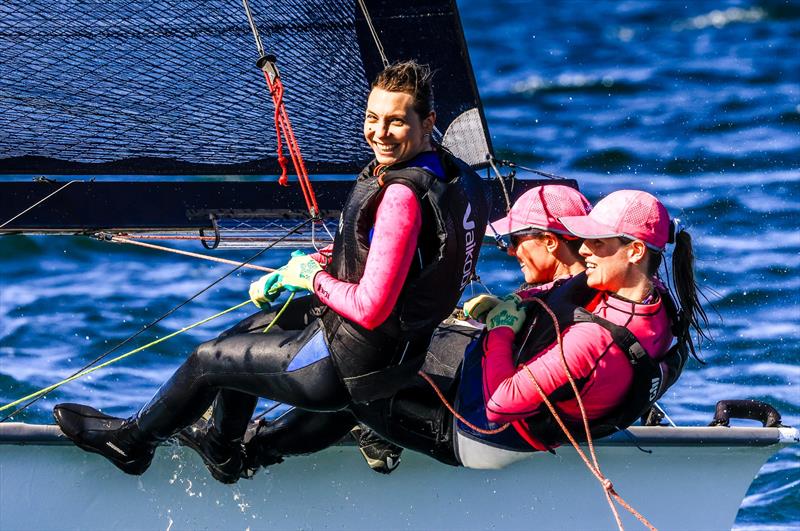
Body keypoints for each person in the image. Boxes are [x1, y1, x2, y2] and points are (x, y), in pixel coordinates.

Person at [52, 60, 490, 482]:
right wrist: (309, 266)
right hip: (397, 356)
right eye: (372, 117)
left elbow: (372, 308)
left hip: (348, 364)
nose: (379, 133)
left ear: (428, 121)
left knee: (208, 360)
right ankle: (222, 448)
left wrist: (311, 278)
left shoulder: (401, 197)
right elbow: (413, 262)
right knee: (243, 334)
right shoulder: (455, 179)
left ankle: (131, 445)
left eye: (396, 121)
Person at [246, 189, 707, 472]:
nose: (585, 249)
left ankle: (254, 450)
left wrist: (503, 328)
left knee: (355, 379)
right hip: (530, 418)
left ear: (633, 252)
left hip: (481, 430)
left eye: (597, 243)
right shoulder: (655, 300)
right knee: (391, 358)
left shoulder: (592, 331)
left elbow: (502, 399)